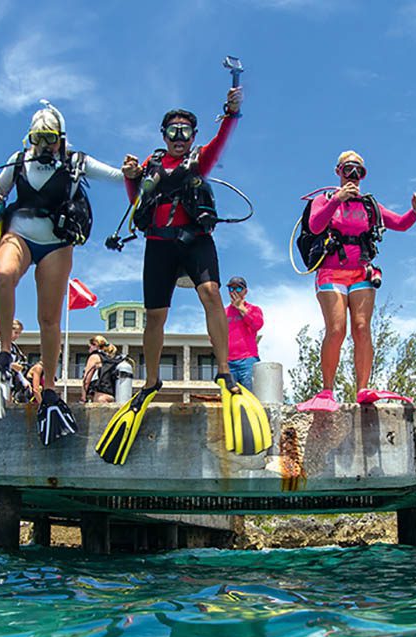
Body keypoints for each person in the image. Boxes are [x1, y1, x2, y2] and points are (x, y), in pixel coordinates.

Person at [96, 85, 271, 465]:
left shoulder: (198, 162)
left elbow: (222, 140)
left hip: (195, 241)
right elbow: (136, 202)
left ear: (193, 136)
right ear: (163, 136)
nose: (179, 137)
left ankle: (224, 371)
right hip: (159, 244)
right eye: (172, 131)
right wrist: (129, 177)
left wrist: (231, 113)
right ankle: (152, 380)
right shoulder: (151, 169)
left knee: (210, 292)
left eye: (185, 132)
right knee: (155, 316)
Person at [0, 101, 124, 445]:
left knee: (49, 319)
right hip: (20, 235)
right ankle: (4, 350)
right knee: (2, 276)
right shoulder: (18, 161)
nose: (44, 146)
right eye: (38, 139)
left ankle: (51, 388)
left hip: (57, 244)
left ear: (61, 139)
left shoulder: (77, 163)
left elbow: (117, 177)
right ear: (30, 138)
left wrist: (136, 171)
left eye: (51, 139)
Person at [297, 151, 416, 412]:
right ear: (339, 171)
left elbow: (399, 224)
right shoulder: (324, 199)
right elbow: (315, 225)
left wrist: (415, 211)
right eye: (348, 170)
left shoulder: (369, 206)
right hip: (330, 273)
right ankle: (326, 390)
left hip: (361, 273)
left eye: (358, 171)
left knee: (362, 327)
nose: (353, 176)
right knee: (336, 329)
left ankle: (363, 388)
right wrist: (337, 201)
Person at [224, 276, 263, 388]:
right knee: (230, 401)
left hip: (248, 360)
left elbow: (257, 324)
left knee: (251, 399)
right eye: (231, 289)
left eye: (238, 289)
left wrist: (241, 308)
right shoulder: (223, 312)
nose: (234, 292)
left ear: (245, 291)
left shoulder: (254, 309)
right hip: (228, 362)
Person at [81, 335, 122, 403]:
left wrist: (83, 397)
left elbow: (86, 380)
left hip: (100, 396)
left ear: (95, 345)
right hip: (112, 396)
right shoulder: (108, 358)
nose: (89, 349)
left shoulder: (94, 357)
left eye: (90, 346)